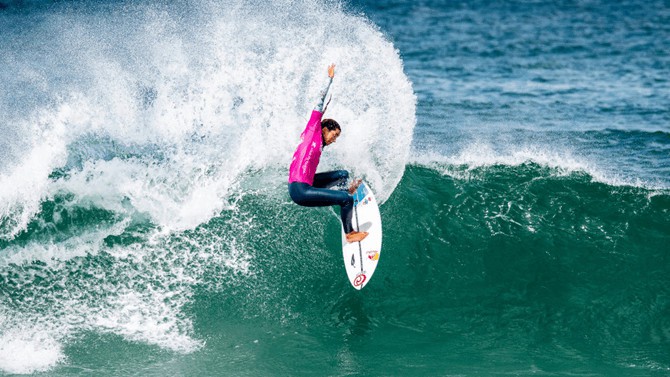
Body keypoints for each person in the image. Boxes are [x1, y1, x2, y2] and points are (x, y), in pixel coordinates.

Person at [288, 64, 368, 243]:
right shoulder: (312, 131)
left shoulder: (319, 144)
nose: (335, 139)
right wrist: (329, 79)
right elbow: (319, 101)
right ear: (324, 128)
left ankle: (345, 191)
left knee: (342, 174)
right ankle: (350, 234)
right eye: (334, 134)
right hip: (300, 190)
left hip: (306, 183)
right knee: (346, 200)